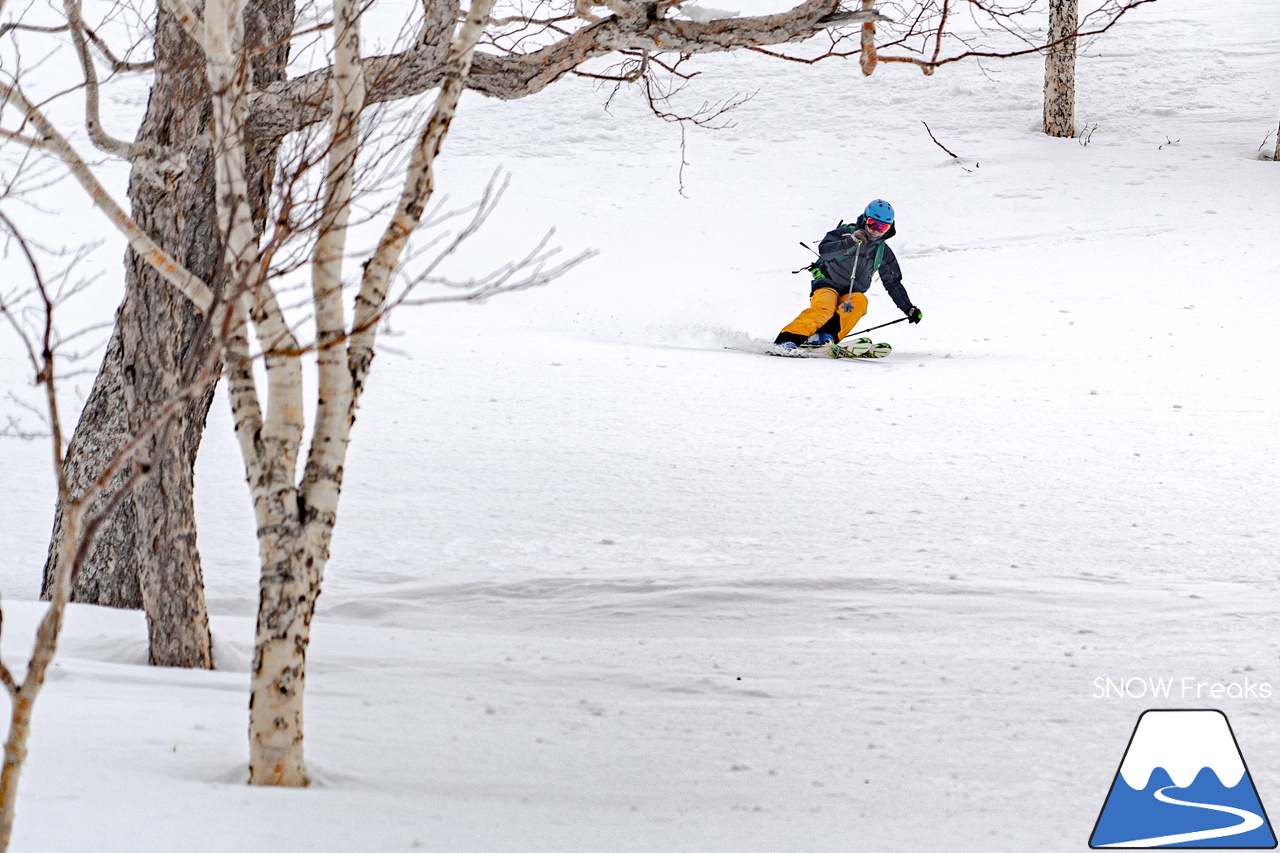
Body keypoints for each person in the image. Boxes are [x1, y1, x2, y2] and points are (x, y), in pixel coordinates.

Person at [774, 199, 922, 350]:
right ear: (865, 219)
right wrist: (850, 242)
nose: (876, 230)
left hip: (852, 292)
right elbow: (825, 251)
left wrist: (908, 308)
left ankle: (826, 336)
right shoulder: (845, 233)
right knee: (824, 308)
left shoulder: (883, 252)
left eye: (883, 227)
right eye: (872, 223)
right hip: (828, 284)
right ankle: (787, 339)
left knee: (860, 303)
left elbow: (893, 283)